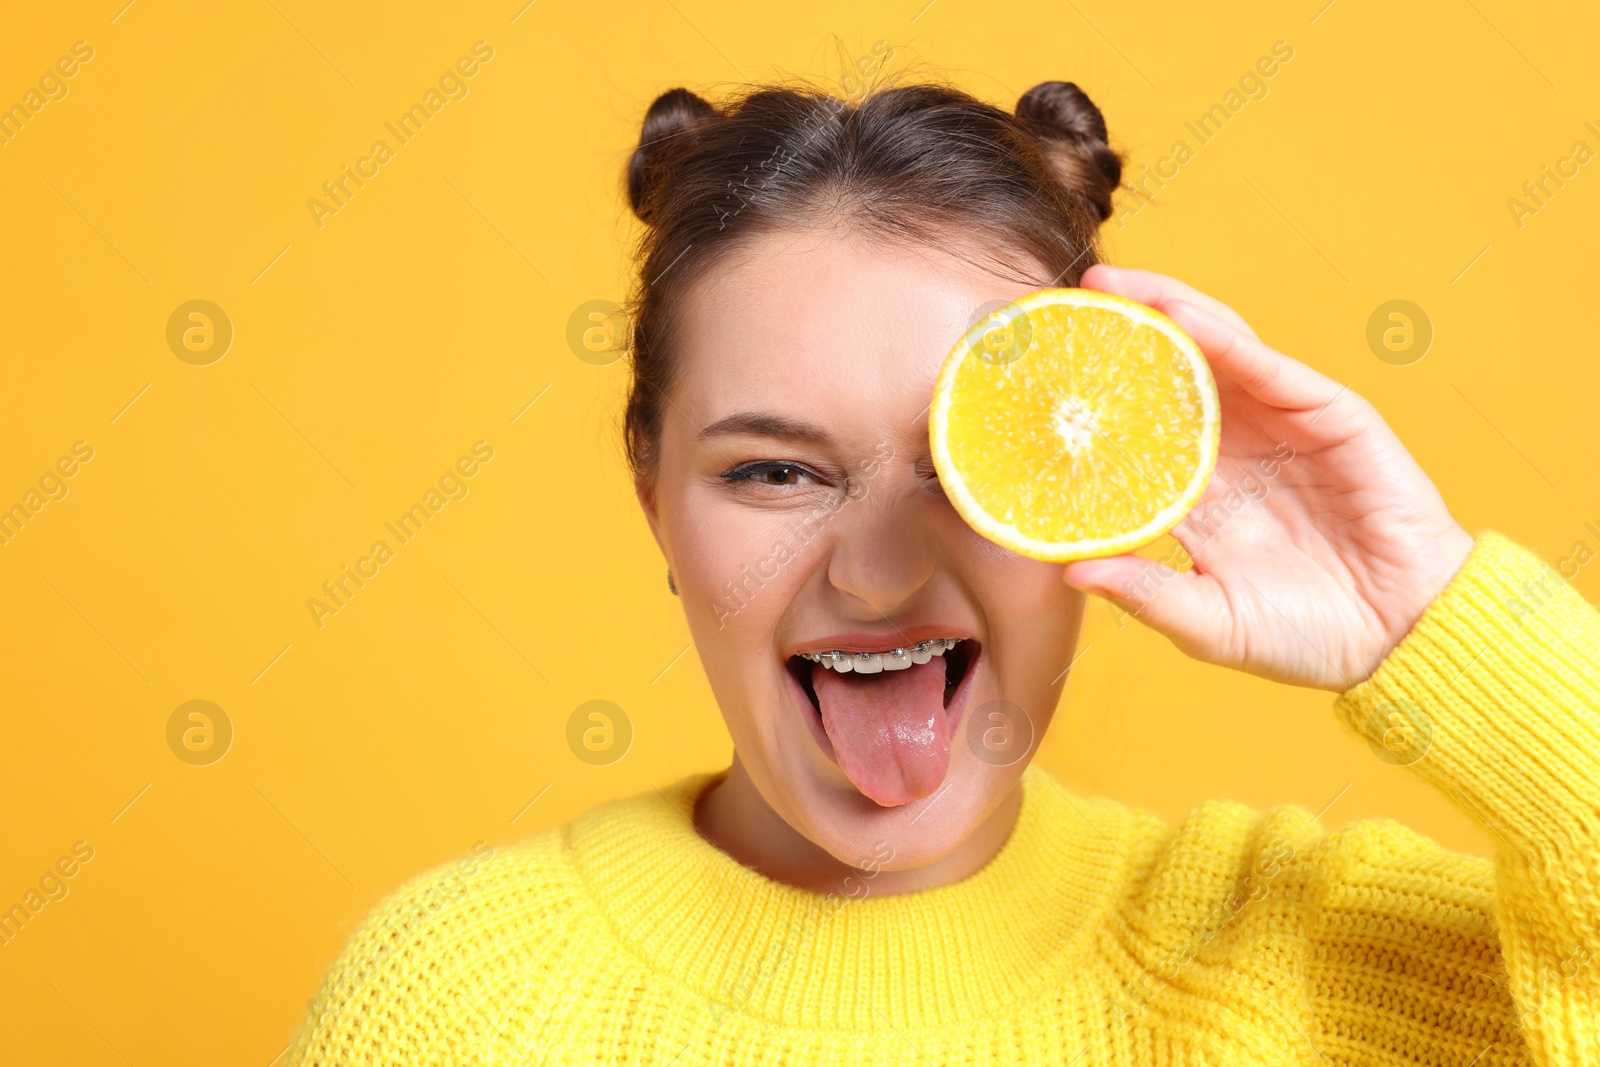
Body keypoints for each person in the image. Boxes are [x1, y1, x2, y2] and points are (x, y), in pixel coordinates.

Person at [284, 77, 1600, 1066]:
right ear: (653, 503)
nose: (872, 575)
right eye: (776, 472)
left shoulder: (1296, 967)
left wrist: (1436, 618)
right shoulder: (465, 1004)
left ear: (1093, 480)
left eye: (965, 468)